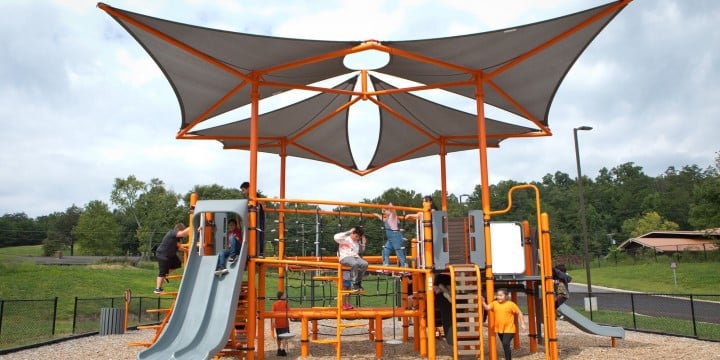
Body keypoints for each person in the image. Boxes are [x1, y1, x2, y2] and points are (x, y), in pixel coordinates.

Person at [482, 288, 527, 360]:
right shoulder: (494, 303)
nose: (498, 297)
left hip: (509, 329)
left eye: (501, 295)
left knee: (505, 343)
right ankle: (508, 356)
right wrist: (483, 302)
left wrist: (523, 323)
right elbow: (487, 308)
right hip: (500, 329)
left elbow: (519, 312)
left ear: (506, 296)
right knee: (505, 345)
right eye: (497, 295)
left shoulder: (511, 304)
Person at [154, 223, 190, 294]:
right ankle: (158, 288)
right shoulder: (172, 233)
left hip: (171, 255)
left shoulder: (177, 238)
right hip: (162, 254)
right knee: (162, 272)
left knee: (177, 264)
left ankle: (166, 275)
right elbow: (184, 233)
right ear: (178, 229)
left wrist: (189, 250)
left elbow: (179, 247)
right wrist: (192, 227)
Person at [373, 203, 408, 269]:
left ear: (389, 210)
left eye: (384, 211)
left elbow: (393, 210)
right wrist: (377, 215)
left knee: (399, 252)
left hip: (396, 237)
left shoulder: (393, 216)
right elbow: (382, 219)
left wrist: (390, 205)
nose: (384, 213)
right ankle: (386, 264)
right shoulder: (387, 218)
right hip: (390, 239)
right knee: (385, 250)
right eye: (383, 212)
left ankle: (404, 266)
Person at [334, 226, 367, 292]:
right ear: (352, 233)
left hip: (355, 257)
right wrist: (349, 232)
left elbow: (361, 251)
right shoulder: (345, 238)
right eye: (356, 236)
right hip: (345, 257)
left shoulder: (357, 242)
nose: (357, 238)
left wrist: (363, 243)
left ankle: (358, 283)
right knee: (355, 264)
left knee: (365, 264)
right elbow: (336, 237)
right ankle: (354, 284)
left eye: (358, 237)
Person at [241, 181, 265, 258]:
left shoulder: (256, 196)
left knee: (259, 234)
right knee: (252, 235)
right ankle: (252, 250)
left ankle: (260, 251)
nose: (243, 192)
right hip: (253, 220)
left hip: (259, 219)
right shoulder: (250, 199)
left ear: (249, 189)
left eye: (243, 190)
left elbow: (263, 205)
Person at [271, 290, 290, 357]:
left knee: (279, 337)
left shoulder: (275, 304)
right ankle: (283, 350)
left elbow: (273, 314)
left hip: (277, 324)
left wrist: (273, 322)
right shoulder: (285, 303)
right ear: (281, 296)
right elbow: (289, 312)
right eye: (284, 295)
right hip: (284, 323)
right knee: (285, 337)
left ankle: (279, 349)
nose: (285, 296)